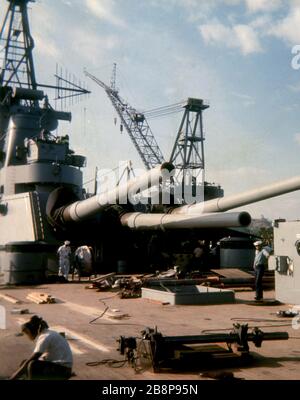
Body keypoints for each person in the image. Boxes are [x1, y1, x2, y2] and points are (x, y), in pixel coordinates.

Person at [10, 315, 73, 380]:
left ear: (30, 331)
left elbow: (32, 359)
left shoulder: (44, 337)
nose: (28, 337)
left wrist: (13, 377)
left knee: (32, 365)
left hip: (63, 370)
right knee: (25, 363)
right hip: (60, 366)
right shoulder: (47, 333)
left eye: (27, 334)